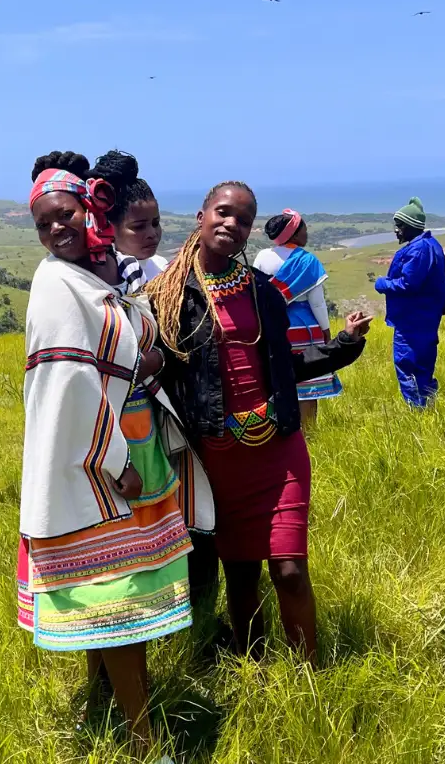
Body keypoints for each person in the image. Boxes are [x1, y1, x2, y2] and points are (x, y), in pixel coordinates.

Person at [17, 150, 214, 755]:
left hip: (132, 449)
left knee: (117, 598)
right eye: (45, 222)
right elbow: (68, 389)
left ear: (91, 211)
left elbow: (125, 352)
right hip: (101, 463)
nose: (57, 229)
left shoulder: (97, 273)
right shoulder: (57, 284)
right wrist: (114, 461)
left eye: (66, 215)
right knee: (119, 602)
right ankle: (142, 737)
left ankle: (104, 701)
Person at [147, 182, 371, 663]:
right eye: (224, 213)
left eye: (243, 219)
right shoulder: (169, 296)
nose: (232, 224)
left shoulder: (260, 289)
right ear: (202, 215)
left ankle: (309, 677)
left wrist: (345, 344)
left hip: (278, 448)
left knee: (289, 571)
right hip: (220, 458)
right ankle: (255, 668)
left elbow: (286, 361)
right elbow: (162, 370)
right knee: (242, 577)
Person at [253, 209, 341, 427]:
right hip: (305, 328)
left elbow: (255, 293)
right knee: (309, 383)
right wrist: (326, 330)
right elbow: (317, 302)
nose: (306, 232)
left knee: (280, 380)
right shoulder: (308, 261)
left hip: (275, 328)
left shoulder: (263, 257)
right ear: (293, 234)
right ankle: (309, 433)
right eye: (303, 228)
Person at [374, 197, 445, 408]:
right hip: (425, 318)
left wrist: (382, 284)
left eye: (399, 226)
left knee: (407, 366)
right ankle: (429, 407)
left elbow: (408, 284)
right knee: (424, 366)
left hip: (411, 321)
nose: (396, 231)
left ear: (410, 226)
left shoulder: (418, 250)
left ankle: (417, 412)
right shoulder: (431, 245)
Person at [108, 169, 169, 286]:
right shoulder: (111, 280)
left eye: (156, 223)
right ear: (110, 229)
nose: (152, 233)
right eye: (139, 227)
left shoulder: (161, 266)